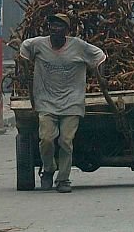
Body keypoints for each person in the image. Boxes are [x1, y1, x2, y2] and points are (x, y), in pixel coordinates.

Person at [19, 12, 106, 194]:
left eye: (59, 27)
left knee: (66, 141)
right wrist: (25, 71)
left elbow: (100, 56)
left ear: (66, 31)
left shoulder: (79, 46)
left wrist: (100, 75)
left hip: (72, 102)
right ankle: (49, 168)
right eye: (52, 26)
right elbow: (24, 49)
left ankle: (63, 179)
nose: (55, 29)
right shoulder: (38, 44)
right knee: (47, 139)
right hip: (46, 101)